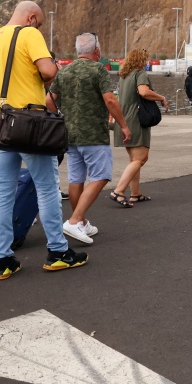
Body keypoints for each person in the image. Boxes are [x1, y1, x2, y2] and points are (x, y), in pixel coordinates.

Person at [0, 0, 88, 280]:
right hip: (30, 126)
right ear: (31, 18)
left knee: (3, 191)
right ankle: (58, 252)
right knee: (47, 188)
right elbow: (49, 73)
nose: (38, 27)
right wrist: (50, 69)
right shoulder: (28, 34)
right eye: (39, 23)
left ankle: (2, 259)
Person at [47, 33, 131, 243]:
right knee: (101, 176)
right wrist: (123, 125)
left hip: (70, 135)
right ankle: (75, 221)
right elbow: (110, 100)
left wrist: (59, 118)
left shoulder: (65, 72)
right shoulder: (98, 69)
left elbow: (49, 100)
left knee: (76, 179)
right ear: (97, 51)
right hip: (93, 134)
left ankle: (81, 222)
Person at [109, 48, 168, 205]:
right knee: (141, 158)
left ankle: (136, 194)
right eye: (146, 59)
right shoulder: (139, 74)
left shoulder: (124, 76)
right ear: (141, 60)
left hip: (124, 120)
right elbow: (143, 92)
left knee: (134, 159)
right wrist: (161, 97)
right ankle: (119, 191)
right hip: (136, 121)